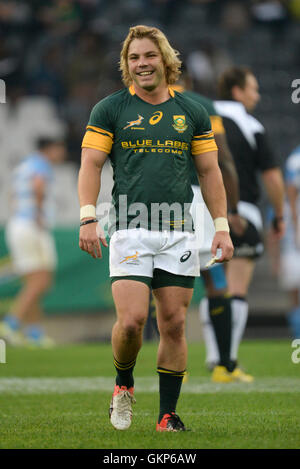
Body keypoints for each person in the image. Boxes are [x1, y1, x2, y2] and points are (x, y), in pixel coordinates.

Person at [78, 25, 233, 432]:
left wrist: (221, 227)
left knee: (175, 324)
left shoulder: (193, 112)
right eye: (133, 58)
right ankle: (123, 385)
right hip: (129, 229)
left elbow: (210, 171)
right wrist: (88, 216)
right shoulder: (110, 109)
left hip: (180, 231)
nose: (141, 64)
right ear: (127, 65)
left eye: (148, 56)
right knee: (131, 321)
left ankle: (167, 414)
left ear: (165, 60)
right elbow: (91, 165)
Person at [200, 66, 285, 377]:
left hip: (201, 211)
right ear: (237, 91)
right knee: (235, 288)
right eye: (253, 89)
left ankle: (213, 356)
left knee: (212, 284)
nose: (257, 95)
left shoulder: (198, 115)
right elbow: (273, 177)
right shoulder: (250, 125)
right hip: (241, 212)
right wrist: (278, 214)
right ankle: (227, 361)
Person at [172, 75, 249, 383]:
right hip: (201, 200)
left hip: (159, 202)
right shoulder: (201, 104)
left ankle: (175, 366)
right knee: (216, 281)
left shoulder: (135, 102)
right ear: (187, 77)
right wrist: (231, 210)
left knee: (165, 283)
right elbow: (222, 157)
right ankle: (225, 366)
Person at [0, 137, 66, 347]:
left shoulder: (23, 166)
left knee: (33, 283)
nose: (61, 154)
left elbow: (12, 195)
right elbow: (38, 186)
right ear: (50, 149)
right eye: (59, 149)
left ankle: (34, 333)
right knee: (41, 281)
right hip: (32, 226)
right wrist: (38, 215)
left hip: (18, 224)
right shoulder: (40, 165)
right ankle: (10, 323)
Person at [278, 144, 300, 338]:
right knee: (295, 291)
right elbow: (292, 190)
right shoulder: (296, 159)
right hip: (295, 244)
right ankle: (298, 338)